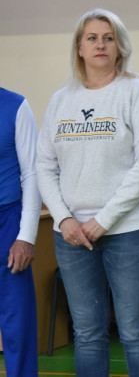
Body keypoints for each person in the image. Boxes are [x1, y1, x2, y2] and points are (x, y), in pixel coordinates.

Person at [36, 8, 139, 377]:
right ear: (79, 47)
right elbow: (44, 165)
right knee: (88, 334)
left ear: (119, 46)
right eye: (92, 38)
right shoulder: (61, 100)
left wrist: (103, 220)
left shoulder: (136, 93)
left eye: (109, 38)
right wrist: (64, 219)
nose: (100, 44)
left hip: (131, 231)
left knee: (135, 331)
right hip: (71, 237)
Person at [0, 87, 41, 377]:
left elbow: (32, 173)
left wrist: (26, 236)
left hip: (8, 222)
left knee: (18, 324)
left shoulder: (15, 106)